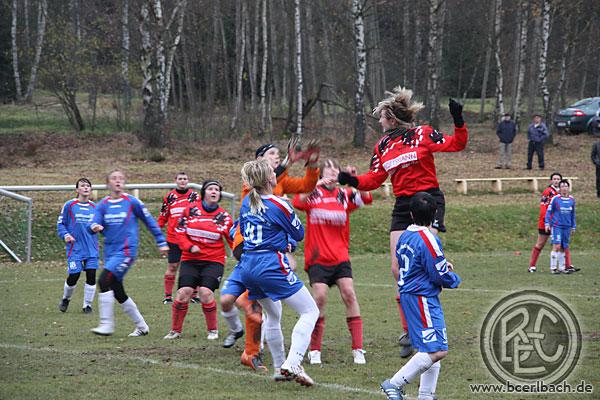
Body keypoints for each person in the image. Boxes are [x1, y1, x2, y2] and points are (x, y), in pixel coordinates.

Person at [337, 87, 467, 358]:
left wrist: (458, 119)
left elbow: (457, 144)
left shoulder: (423, 134)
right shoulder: (382, 146)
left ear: (392, 119)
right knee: (398, 269)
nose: (379, 121)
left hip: (427, 200)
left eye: (382, 117)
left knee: (424, 261)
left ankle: (430, 318)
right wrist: (352, 181)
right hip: (403, 205)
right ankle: (410, 330)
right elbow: (374, 179)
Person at [222, 141, 319, 372]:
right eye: (272, 154)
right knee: (308, 311)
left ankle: (274, 366)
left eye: (278, 154)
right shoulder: (265, 196)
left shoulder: (254, 196)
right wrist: (287, 240)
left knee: (271, 314)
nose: (277, 157)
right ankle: (288, 362)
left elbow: (306, 185)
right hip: (260, 256)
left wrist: (311, 165)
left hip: (255, 259)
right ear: (262, 167)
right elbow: (297, 232)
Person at [380, 192, 461, 400]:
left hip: (410, 295)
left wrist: (440, 265)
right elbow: (439, 274)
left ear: (411, 214)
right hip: (421, 297)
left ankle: (426, 396)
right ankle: (394, 384)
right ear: (434, 214)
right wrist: (453, 278)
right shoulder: (429, 239)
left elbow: (415, 263)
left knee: (429, 348)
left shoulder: (405, 235)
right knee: (438, 349)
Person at [292, 159, 372, 365]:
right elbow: (298, 202)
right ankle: (315, 350)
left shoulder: (343, 195)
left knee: (349, 294)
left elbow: (366, 198)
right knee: (319, 298)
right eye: (328, 169)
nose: (333, 172)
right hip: (318, 258)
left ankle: (358, 349)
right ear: (320, 173)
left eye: (336, 168)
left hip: (340, 257)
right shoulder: (313, 193)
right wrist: (315, 184)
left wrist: (354, 180)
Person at [90, 170, 168, 336]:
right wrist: (94, 227)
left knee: (104, 280)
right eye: (114, 178)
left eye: (121, 179)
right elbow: (94, 222)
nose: (118, 181)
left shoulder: (132, 202)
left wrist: (161, 241)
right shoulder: (103, 205)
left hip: (126, 251)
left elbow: (150, 222)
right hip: (110, 253)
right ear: (108, 184)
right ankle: (142, 326)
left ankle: (107, 324)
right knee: (117, 290)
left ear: (124, 183)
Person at [164, 180, 233, 340]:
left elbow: (232, 239)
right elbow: (179, 232)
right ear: (203, 193)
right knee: (183, 293)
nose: (214, 191)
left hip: (213, 260)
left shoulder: (223, 217)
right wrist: (189, 246)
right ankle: (175, 331)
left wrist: (242, 254)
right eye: (210, 189)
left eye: (217, 189)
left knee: (205, 293)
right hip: (190, 259)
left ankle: (213, 330)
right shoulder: (190, 210)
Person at [56, 178, 98, 313]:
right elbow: (60, 224)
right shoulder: (70, 205)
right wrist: (65, 235)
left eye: (88, 186)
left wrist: (98, 228)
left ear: (90, 189)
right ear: (77, 189)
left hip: (91, 248)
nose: (86, 188)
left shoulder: (95, 207)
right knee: (74, 275)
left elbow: (98, 224)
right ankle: (66, 299)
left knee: (91, 275)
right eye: (83, 185)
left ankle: (87, 306)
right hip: (75, 248)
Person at [157, 172, 200, 305]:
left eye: (185, 179)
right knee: (173, 266)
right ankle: (168, 296)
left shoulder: (194, 196)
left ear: (188, 181)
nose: (182, 181)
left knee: (194, 266)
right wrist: (157, 233)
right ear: (175, 180)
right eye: (180, 179)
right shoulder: (169, 197)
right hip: (173, 238)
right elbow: (163, 217)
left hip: (190, 238)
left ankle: (194, 295)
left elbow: (200, 214)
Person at [545, 180, 576, 274]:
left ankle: (562, 267)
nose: (564, 188)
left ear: (568, 188)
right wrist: (547, 223)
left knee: (563, 246)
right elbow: (549, 211)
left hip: (567, 226)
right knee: (557, 246)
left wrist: (573, 226)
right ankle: (553, 268)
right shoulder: (555, 199)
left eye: (566, 186)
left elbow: (573, 214)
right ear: (559, 188)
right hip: (557, 225)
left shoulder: (571, 199)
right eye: (562, 186)